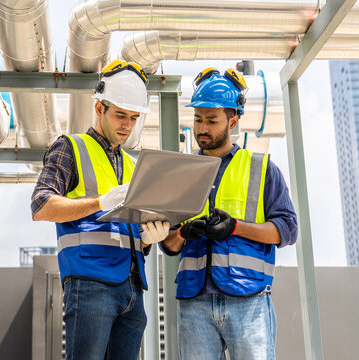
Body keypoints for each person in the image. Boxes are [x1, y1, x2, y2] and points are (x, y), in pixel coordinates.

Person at [31, 59, 170, 360]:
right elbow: (41, 205)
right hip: (90, 282)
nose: (127, 125)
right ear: (99, 108)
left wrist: (148, 239)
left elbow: (129, 230)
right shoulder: (71, 147)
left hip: (133, 287)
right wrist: (99, 203)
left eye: (133, 118)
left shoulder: (135, 166)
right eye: (120, 115)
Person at [161, 67, 298, 360]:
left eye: (211, 120)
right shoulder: (180, 173)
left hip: (248, 300)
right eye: (198, 119)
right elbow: (169, 245)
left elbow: (287, 231)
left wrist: (234, 227)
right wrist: (184, 232)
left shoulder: (261, 169)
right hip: (193, 301)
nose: (202, 128)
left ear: (233, 120)